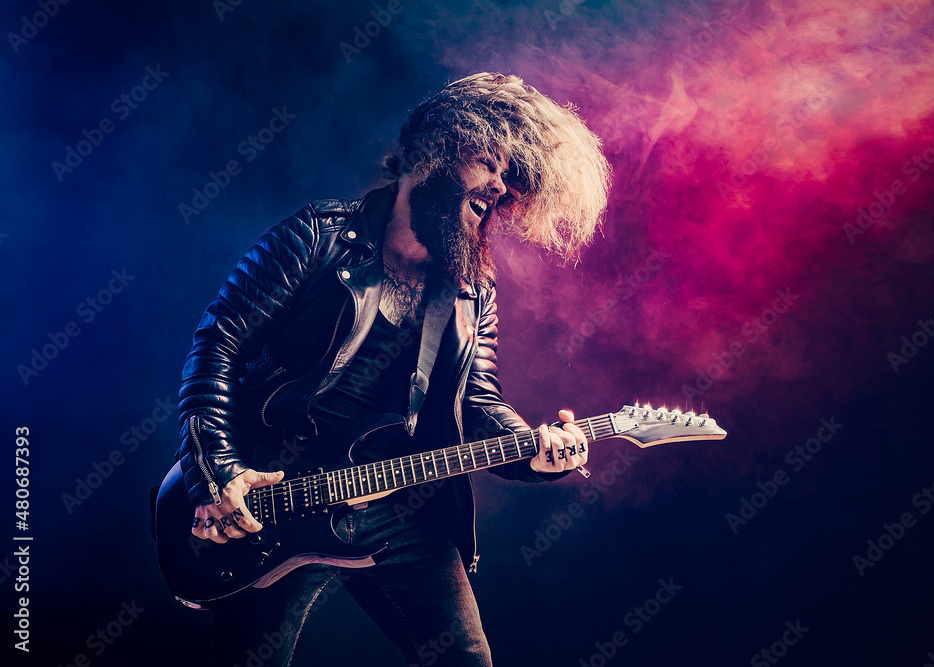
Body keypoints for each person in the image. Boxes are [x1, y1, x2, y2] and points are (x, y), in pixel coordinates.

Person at [175, 72, 611, 666]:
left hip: (396, 505)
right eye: (489, 162)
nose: (500, 188)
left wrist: (534, 453)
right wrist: (214, 470)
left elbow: (477, 404)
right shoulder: (317, 237)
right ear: (431, 151)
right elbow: (216, 342)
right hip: (275, 497)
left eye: (514, 178)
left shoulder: (471, 290)